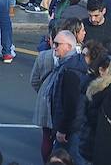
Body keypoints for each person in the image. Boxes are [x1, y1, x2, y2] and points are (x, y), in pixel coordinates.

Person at [37, 30, 88, 162]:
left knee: (68, 159)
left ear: (68, 47)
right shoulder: (69, 65)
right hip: (71, 126)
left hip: (71, 128)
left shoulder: (70, 70)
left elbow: (71, 104)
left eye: (57, 44)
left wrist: (63, 129)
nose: (54, 47)